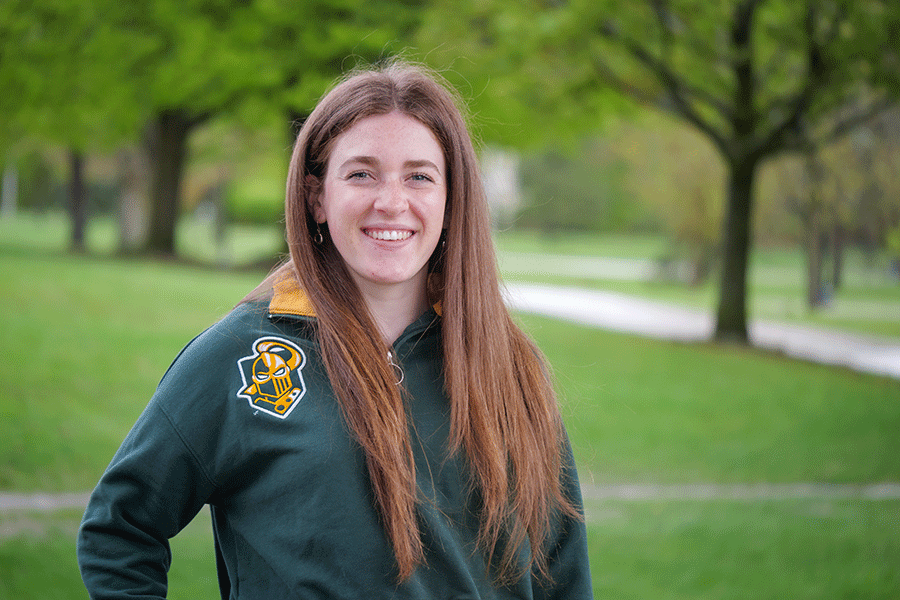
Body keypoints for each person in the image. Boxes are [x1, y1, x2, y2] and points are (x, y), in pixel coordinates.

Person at [77, 59, 593, 599]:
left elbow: (563, 573)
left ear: (451, 199)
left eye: (419, 176)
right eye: (361, 173)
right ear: (316, 197)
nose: (391, 202)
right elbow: (119, 531)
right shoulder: (239, 356)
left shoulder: (507, 366)